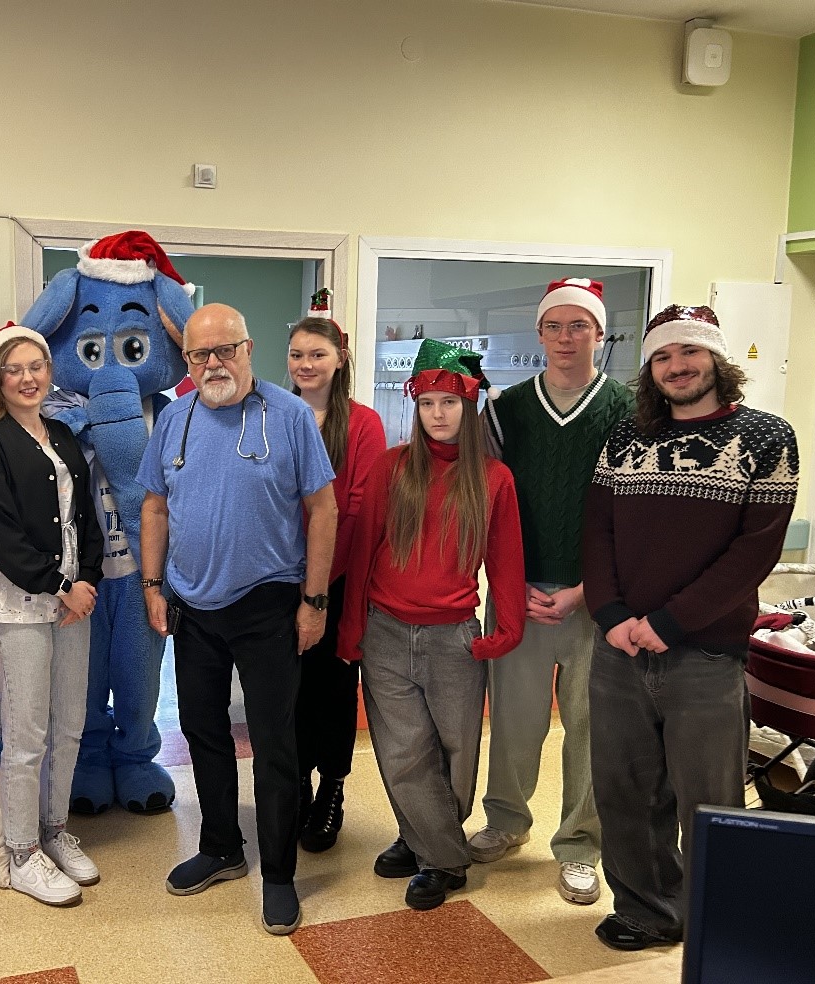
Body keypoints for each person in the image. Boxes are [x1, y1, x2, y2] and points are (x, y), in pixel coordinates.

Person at [582, 304, 798, 951]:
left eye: (689, 352)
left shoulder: (766, 437)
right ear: (650, 368)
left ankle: (717, 922)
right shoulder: (627, 437)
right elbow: (598, 530)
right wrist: (612, 616)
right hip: (619, 649)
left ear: (716, 358)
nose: (677, 366)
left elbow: (753, 553)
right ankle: (645, 911)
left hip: (706, 655)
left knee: (709, 801)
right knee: (624, 791)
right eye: (663, 356)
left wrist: (670, 622)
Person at [137, 302, 337, 936]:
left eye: (225, 350)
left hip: (268, 603)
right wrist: (152, 585)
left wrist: (313, 601)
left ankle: (278, 874)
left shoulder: (290, 416)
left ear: (249, 350)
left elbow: (323, 509)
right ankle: (222, 846)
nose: (213, 364)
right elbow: (154, 508)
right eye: (200, 354)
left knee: (275, 744)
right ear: (187, 360)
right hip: (192, 605)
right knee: (202, 729)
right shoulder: (174, 419)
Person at [339, 338, 525, 912]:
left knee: (456, 749)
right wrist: (351, 628)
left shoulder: (493, 478)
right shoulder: (392, 467)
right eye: (427, 404)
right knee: (402, 750)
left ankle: (420, 836)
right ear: (415, 408)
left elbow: (507, 559)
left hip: (454, 637)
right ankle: (442, 858)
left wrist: (508, 628)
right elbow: (363, 551)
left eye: (449, 403)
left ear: (468, 406)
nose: (438, 414)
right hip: (386, 631)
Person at [469, 278, 634, 906]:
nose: (566, 338)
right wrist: (508, 583)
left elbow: (636, 514)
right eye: (555, 326)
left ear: (599, 333)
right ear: (539, 334)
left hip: (600, 600)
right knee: (515, 720)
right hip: (521, 594)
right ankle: (508, 821)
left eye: (579, 326)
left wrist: (589, 591)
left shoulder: (627, 410)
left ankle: (580, 845)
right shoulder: (507, 410)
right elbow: (485, 502)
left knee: (591, 727)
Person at [0, 323, 105, 908]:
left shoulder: (63, 435)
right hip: (24, 606)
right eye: (14, 369)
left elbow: (86, 519)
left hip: (73, 603)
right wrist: (62, 586)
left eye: (36, 366)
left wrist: (86, 581)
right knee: (27, 736)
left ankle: (54, 830)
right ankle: (21, 853)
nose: (27, 378)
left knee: (69, 724)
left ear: (49, 371)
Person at [287, 293, 385, 853]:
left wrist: (319, 586)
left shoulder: (363, 424)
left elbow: (357, 509)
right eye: (297, 354)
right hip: (281, 579)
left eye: (317, 354)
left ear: (339, 359)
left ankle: (331, 789)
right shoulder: (275, 414)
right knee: (288, 692)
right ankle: (297, 783)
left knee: (332, 689)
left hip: (339, 583)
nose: (306, 364)